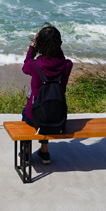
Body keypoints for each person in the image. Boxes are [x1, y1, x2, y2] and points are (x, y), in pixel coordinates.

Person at [21, 22, 73, 165]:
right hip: (57, 116)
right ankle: (44, 152)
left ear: (40, 45)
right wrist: (55, 46)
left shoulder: (34, 64)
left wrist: (33, 47)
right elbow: (59, 58)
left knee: (27, 113)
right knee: (49, 109)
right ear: (60, 44)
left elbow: (25, 67)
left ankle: (25, 154)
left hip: (35, 116)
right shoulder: (67, 65)